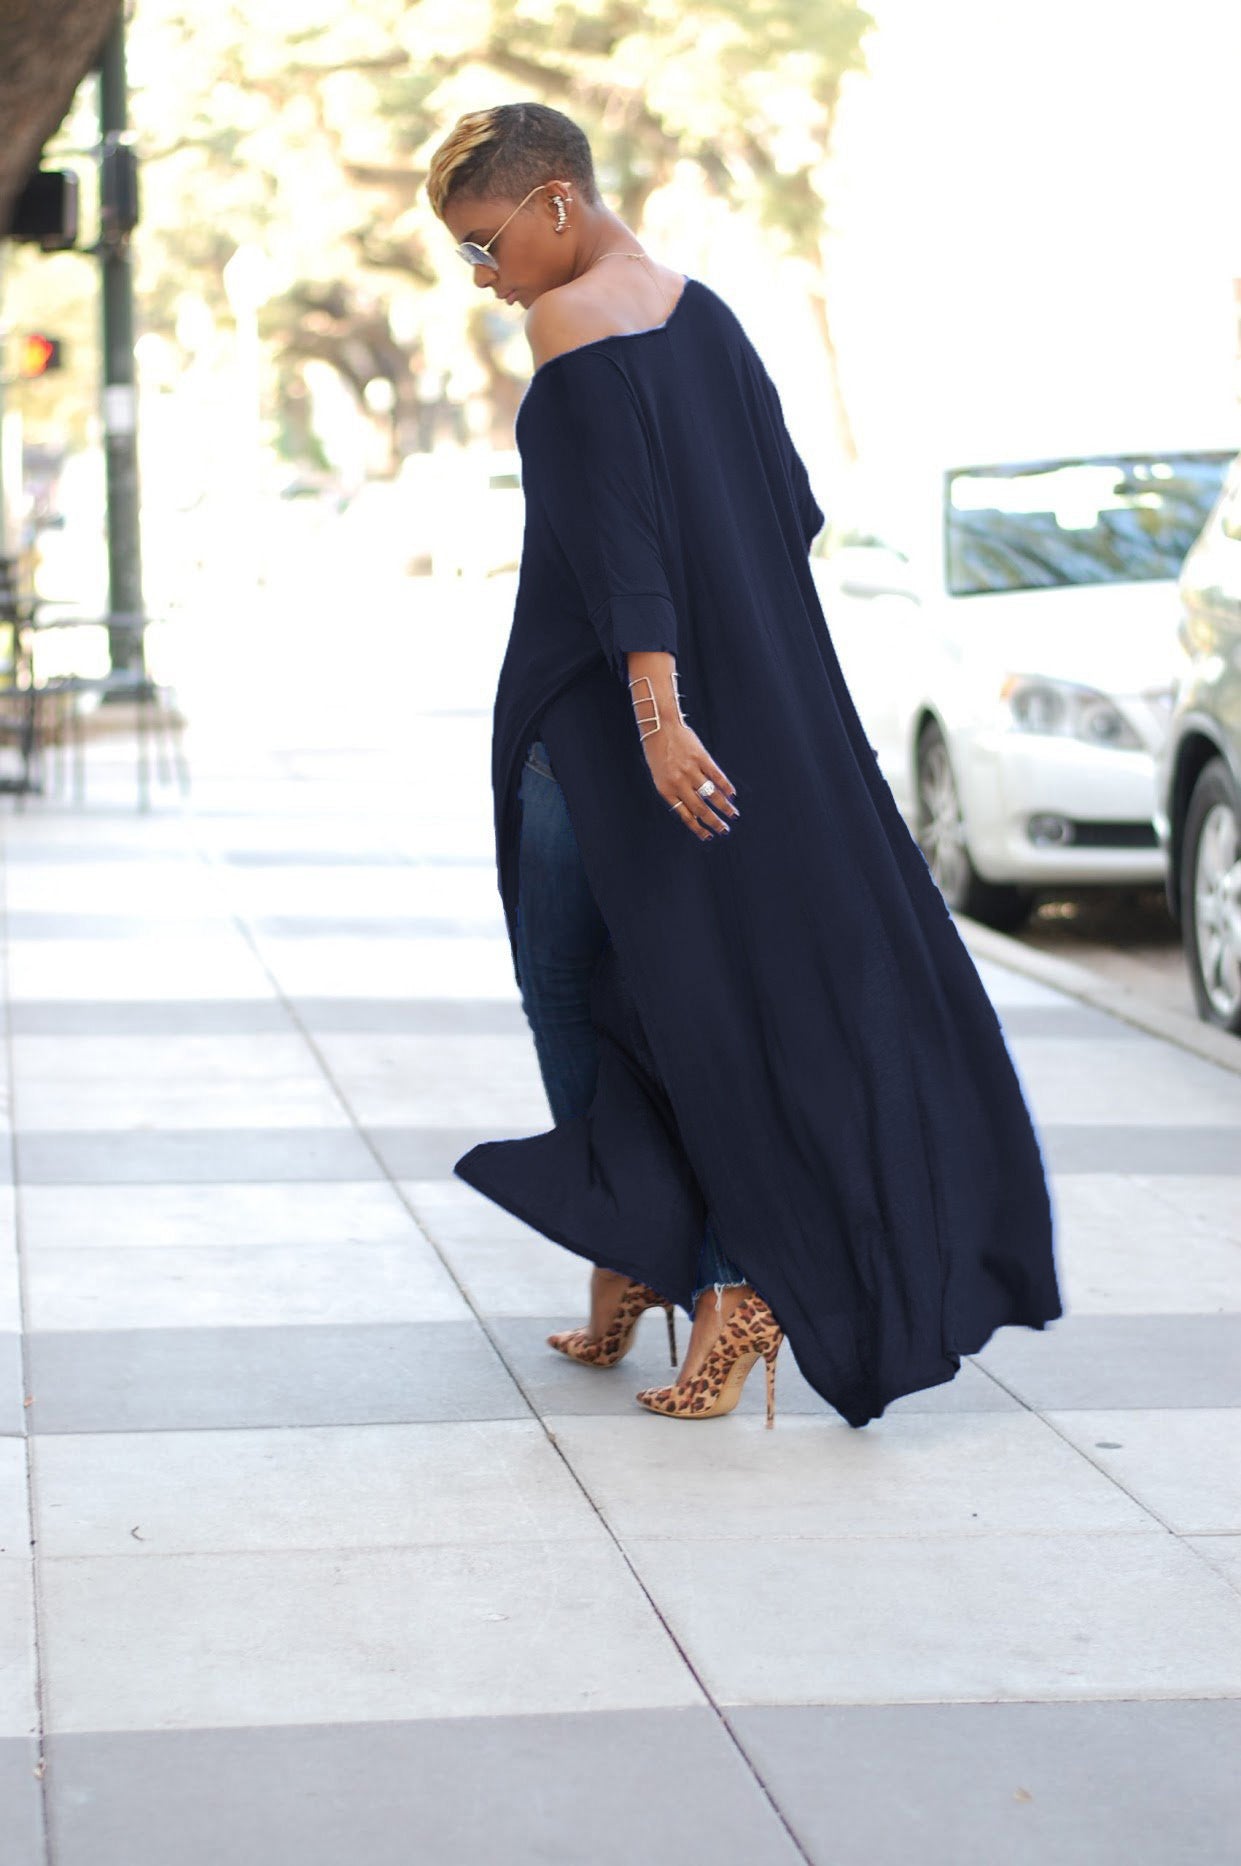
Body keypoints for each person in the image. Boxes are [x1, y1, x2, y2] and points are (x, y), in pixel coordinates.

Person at [426, 102, 1062, 1430]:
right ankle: (673, 1267)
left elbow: (619, 546)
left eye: (485, 243)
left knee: (567, 984)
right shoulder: (707, 317)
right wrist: (712, 683)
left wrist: (656, 711)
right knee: (681, 997)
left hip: (595, 723)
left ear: (555, 202)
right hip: (726, 718)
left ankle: (680, 1263)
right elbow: (788, 509)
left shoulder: (568, 322)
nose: (483, 277)